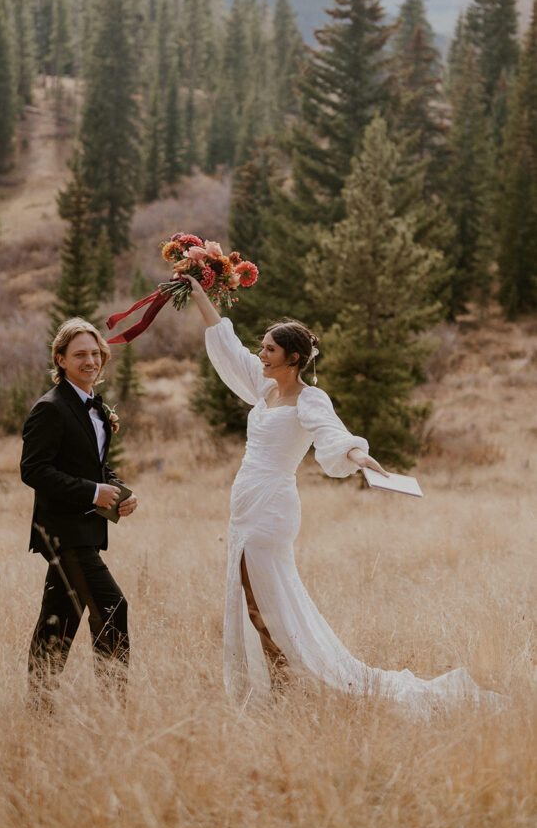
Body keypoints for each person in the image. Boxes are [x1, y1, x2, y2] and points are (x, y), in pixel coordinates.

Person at [186, 275, 499, 713]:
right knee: (254, 595)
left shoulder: (309, 399)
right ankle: (280, 682)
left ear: (293, 359)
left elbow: (333, 435)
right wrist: (199, 294)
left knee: (261, 599)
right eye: (263, 348)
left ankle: (283, 686)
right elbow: (228, 347)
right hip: (244, 506)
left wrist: (361, 457)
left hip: (271, 509)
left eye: (270, 350)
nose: (261, 355)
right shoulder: (265, 387)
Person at [21, 317, 138, 707]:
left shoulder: (95, 407)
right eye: (80, 355)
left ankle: (40, 708)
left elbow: (94, 464)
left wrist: (117, 492)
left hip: (86, 530)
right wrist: (92, 492)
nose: (90, 361)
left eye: (95, 353)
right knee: (112, 606)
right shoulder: (50, 408)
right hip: (63, 532)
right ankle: (114, 707)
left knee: (58, 621)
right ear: (61, 359)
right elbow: (33, 470)